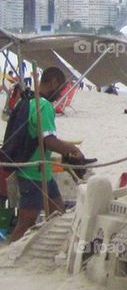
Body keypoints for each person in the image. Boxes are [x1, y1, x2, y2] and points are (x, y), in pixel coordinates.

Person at [8, 67, 85, 244]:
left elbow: (40, 137)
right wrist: (72, 150)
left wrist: (67, 149)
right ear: (53, 83)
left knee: (57, 214)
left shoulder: (26, 101)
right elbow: (48, 141)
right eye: (61, 89)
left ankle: (55, 247)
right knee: (26, 222)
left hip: (43, 172)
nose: (60, 95)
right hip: (34, 173)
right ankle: (8, 257)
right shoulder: (43, 105)